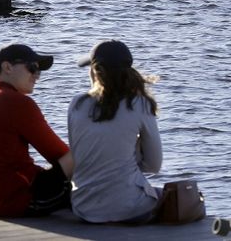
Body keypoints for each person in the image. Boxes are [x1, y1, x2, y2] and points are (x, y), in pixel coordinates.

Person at [0, 43, 73, 218]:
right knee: (85, 153)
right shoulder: (16, 103)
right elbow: (61, 155)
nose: (37, 75)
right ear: (7, 67)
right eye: (32, 68)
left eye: (39, 70)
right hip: (18, 201)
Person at [67, 40, 162, 224]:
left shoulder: (76, 104)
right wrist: (125, 161)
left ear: (95, 71)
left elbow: (79, 155)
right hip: (130, 209)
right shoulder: (140, 104)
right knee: (173, 196)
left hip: (83, 207)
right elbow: (154, 165)